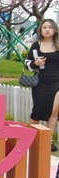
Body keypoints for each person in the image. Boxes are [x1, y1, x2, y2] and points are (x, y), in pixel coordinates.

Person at [25, 19, 59, 151]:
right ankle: (31, 138)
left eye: (50, 27)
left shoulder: (58, 46)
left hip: (56, 83)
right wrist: (35, 63)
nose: (47, 29)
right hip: (40, 83)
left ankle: (47, 141)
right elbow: (27, 64)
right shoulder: (35, 46)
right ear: (40, 30)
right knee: (37, 111)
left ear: (54, 30)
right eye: (44, 27)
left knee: (54, 111)